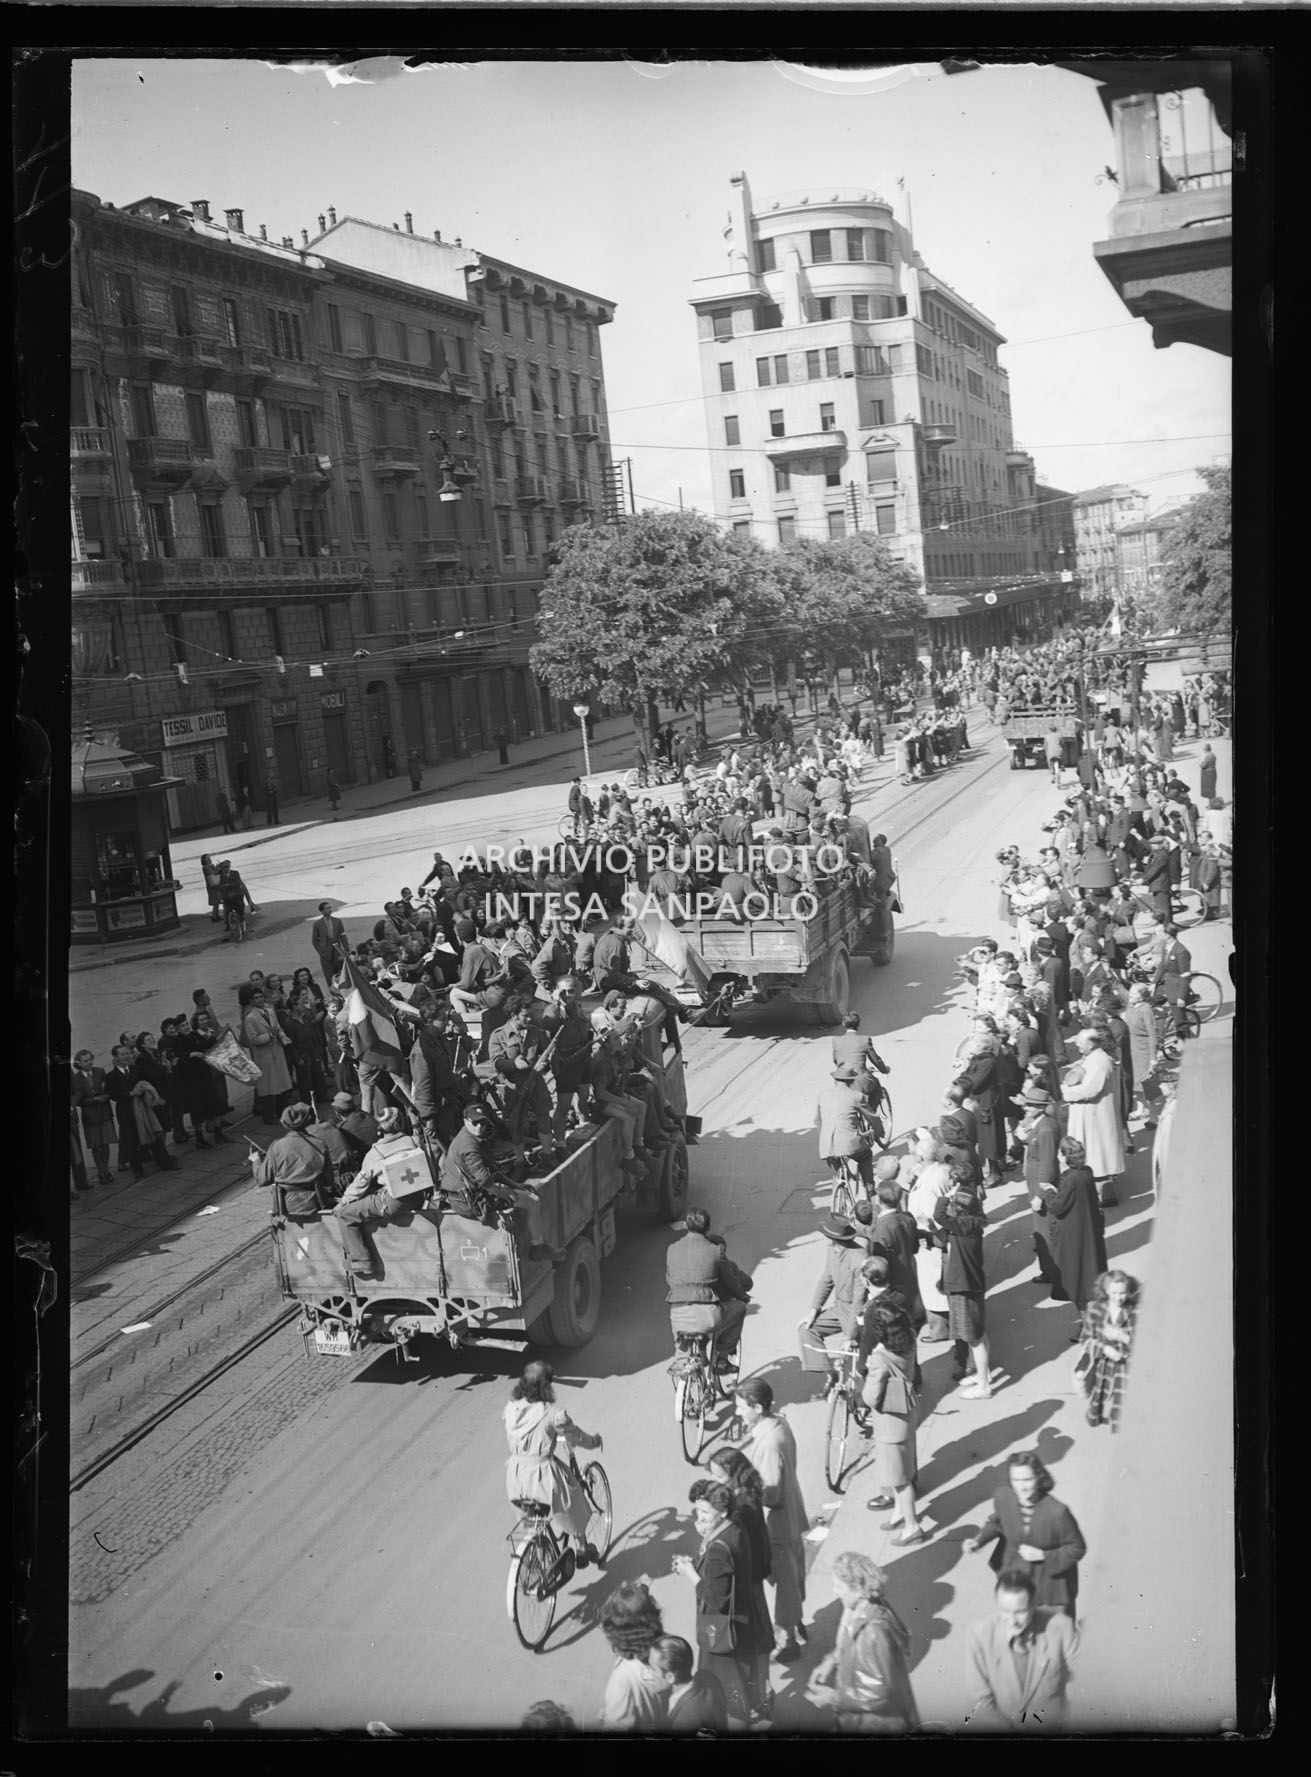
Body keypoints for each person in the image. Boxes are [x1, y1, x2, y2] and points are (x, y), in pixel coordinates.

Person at [505, 1360, 606, 1584]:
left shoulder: (511, 1408)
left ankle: (537, 1556)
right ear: (546, 1386)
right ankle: (581, 1546)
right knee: (574, 1496)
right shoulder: (553, 1414)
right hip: (541, 1474)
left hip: (515, 1474)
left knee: (532, 1519)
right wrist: (594, 1441)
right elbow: (576, 1436)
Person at [805, 1552, 920, 1734]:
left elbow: (879, 1691)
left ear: (858, 1590)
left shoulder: (874, 1632)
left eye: (839, 1586)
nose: (835, 1591)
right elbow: (848, 1642)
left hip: (877, 1723)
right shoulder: (859, 1608)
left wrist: (834, 1698)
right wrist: (831, 1660)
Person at [736, 1377, 809, 1664]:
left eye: (742, 1407)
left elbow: (771, 1494)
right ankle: (797, 1623)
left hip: (777, 1523)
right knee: (793, 1574)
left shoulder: (767, 1444)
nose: (738, 1412)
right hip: (793, 1513)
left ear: (757, 1406)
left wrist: (741, 1491)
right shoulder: (779, 1424)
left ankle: (787, 1639)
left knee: (785, 1582)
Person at [673, 1480, 756, 1727]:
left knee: (728, 1695)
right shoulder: (734, 1528)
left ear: (722, 1511)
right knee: (738, 1689)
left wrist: (691, 1575)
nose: (700, 1518)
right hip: (741, 1621)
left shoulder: (719, 1548)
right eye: (698, 1511)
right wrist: (698, 1563)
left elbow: (717, 1599)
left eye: (706, 1512)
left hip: (721, 1633)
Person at [439, 1102, 564, 1263]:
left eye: (482, 1122)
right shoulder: (469, 1147)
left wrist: (516, 1186)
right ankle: (538, 1248)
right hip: (471, 1202)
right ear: (465, 1121)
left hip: (467, 1195)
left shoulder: (470, 1137)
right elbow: (487, 1183)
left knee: (525, 1192)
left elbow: (492, 1173)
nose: (479, 1127)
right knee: (533, 1201)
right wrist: (508, 1194)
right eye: (475, 1123)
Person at [856, 1256, 925, 1544]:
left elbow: (870, 1396)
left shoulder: (881, 1359)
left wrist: (871, 1366)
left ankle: (912, 1526)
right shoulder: (908, 1342)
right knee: (904, 1470)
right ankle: (899, 1512)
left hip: (889, 1424)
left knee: (899, 1479)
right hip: (906, 1412)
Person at [969, 1451, 1086, 1618]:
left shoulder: (1058, 1512)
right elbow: (997, 1522)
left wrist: (1044, 1555)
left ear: (1039, 1478)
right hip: (1016, 1581)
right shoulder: (1004, 1497)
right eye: (1016, 1480)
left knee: (1051, 1636)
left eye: (1027, 1480)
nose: (1021, 1487)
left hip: (1049, 1589)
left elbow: (1078, 1548)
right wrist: (979, 1541)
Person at [706, 1448, 774, 1722]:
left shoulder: (741, 1507)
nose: (714, 1480)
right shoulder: (745, 1495)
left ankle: (761, 1698)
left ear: (735, 1475)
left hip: (747, 1582)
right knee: (758, 1634)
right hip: (753, 1577)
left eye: (719, 1475)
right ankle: (762, 1694)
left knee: (754, 1639)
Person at [964, 1570, 1079, 1732]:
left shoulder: (1062, 1627)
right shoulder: (978, 1635)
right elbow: (980, 1698)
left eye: (1020, 1612)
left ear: (1033, 1605)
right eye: (1005, 1611)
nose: (1012, 1621)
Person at [666, 1205, 749, 1367]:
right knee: (739, 1309)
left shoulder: (672, 1249)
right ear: (708, 1228)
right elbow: (730, 1281)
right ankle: (722, 1358)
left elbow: (670, 1279)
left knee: (682, 1356)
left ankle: (686, 1367)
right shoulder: (715, 1251)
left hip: (677, 1314)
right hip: (707, 1316)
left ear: (687, 1225)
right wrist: (742, 1297)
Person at [935, 1182, 993, 1397]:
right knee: (979, 1332)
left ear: (959, 1210)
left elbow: (938, 1215)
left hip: (963, 1286)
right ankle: (983, 1375)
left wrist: (945, 1196)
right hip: (973, 1283)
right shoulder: (971, 1225)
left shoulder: (962, 1225)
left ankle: (984, 1386)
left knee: (973, 1337)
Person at [1062, 1028, 1125, 1209]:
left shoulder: (1099, 1062)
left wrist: (1066, 1092)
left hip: (1096, 1118)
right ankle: (1102, 1193)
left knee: (1099, 1156)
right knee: (1096, 1155)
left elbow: (1090, 1090)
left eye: (1080, 1041)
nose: (1076, 1044)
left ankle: (1106, 1195)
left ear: (1091, 1043)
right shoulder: (1094, 1058)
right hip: (1092, 1116)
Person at [1014, 1082, 1064, 1295]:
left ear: (1041, 1107)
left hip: (1040, 1186)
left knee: (1044, 1231)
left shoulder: (1045, 1129)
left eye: (1031, 1105)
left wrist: (1040, 1195)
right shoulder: (1040, 1123)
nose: (1027, 1108)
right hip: (1034, 1182)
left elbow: (1048, 1164)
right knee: (1040, 1230)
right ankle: (1048, 1270)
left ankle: (1053, 1273)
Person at [1077, 1269, 1141, 1430]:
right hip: (1102, 1365)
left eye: (1122, 1293)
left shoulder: (1136, 1311)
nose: (1118, 1298)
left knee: (1122, 1404)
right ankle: (1096, 1416)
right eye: (1114, 1293)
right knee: (1099, 1396)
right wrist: (1104, 1348)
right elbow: (1085, 1339)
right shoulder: (1095, 1309)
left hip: (1125, 1366)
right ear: (1106, 1290)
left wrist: (1124, 1338)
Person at [103, 1043, 178, 1179]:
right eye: (122, 1054)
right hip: (126, 1112)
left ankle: (165, 1163)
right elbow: (113, 1095)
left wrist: (146, 1090)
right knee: (131, 1141)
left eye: (127, 1053)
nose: (126, 1056)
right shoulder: (111, 1076)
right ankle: (137, 1169)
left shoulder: (137, 1070)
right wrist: (131, 1093)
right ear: (115, 1057)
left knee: (154, 1136)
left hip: (144, 1109)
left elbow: (147, 1083)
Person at [254, 1102, 337, 1220]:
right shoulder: (319, 1144)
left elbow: (263, 1180)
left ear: (284, 1123)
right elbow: (328, 1180)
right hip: (315, 1202)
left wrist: (256, 1161)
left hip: (286, 1206)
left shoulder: (277, 1146)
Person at [817, 1064, 876, 1195]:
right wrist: (878, 1131)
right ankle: (870, 1189)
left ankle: (841, 1188)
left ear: (835, 1079)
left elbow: (818, 1121)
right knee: (865, 1157)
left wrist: (823, 1139)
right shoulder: (856, 1096)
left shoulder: (822, 1095)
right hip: (849, 1143)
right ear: (851, 1081)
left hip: (827, 1146)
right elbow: (873, 1118)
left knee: (835, 1162)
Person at [649, 1636, 727, 1733]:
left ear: (670, 1677)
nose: (648, 1673)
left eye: (653, 1669)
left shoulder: (685, 1721)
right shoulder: (705, 1682)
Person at [241, 985, 294, 1125]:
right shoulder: (250, 1018)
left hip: (277, 1051)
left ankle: (283, 1110)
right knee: (267, 1086)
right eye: (256, 998)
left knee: (281, 1082)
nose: (259, 999)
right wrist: (269, 1035)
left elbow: (278, 1028)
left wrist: (283, 1037)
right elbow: (253, 1039)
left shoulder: (270, 1011)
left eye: (261, 997)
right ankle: (269, 1116)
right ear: (252, 1001)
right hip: (264, 1055)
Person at [71, 1049, 116, 1187]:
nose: (89, 1063)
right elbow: (79, 1100)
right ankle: (101, 1171)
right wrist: (93, 1100)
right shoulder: (76, 1078)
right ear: (79, 1063)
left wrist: (105, 1097)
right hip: (90, 1116)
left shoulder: (100, 1071)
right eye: (85, 1061)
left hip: (104, 1112)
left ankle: (106, 1169)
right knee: (96, 1145)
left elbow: (108, 1089)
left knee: (106, 1143)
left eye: (90, 1059)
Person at [311, 902, 347, 990]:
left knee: (342, 973)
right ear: (322, 911)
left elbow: (342, 935)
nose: (329, 910)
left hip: (337, 951)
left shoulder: (338, 921)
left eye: (330, 908)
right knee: (329, 975)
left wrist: (346, 949)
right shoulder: (317, 924)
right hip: (325, 954)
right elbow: (314, 940)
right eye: (327, 908)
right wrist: (321, 952)